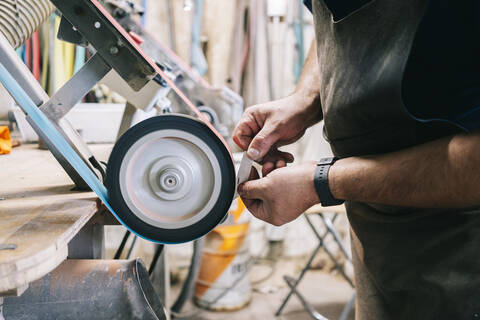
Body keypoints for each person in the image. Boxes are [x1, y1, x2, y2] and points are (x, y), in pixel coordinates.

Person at [233, 1, 480, 319]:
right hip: (374, 229)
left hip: (461, 254)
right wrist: (304, 100)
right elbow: (337, 32)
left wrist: (322, 182)